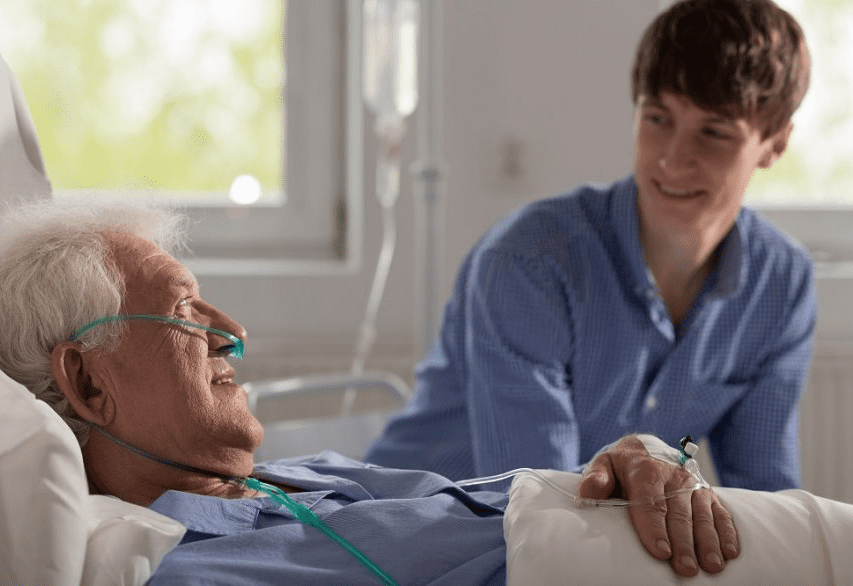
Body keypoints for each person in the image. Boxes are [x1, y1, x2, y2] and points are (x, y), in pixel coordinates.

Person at [0, 199, 738, 583]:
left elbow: (547, 492)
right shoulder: (198, 570)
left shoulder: (308, 479)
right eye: (184, 310)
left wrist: (634, 457)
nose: (231, 333)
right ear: (89, 382)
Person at [365, 0, 816, 493]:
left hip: (570, 533)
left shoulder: (781, 285)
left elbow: (764, 495)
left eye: (713, 132)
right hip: (417, 527)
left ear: (776, 142)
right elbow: (540, 502)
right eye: (658, 118)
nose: (672, 159)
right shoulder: (528, 263)